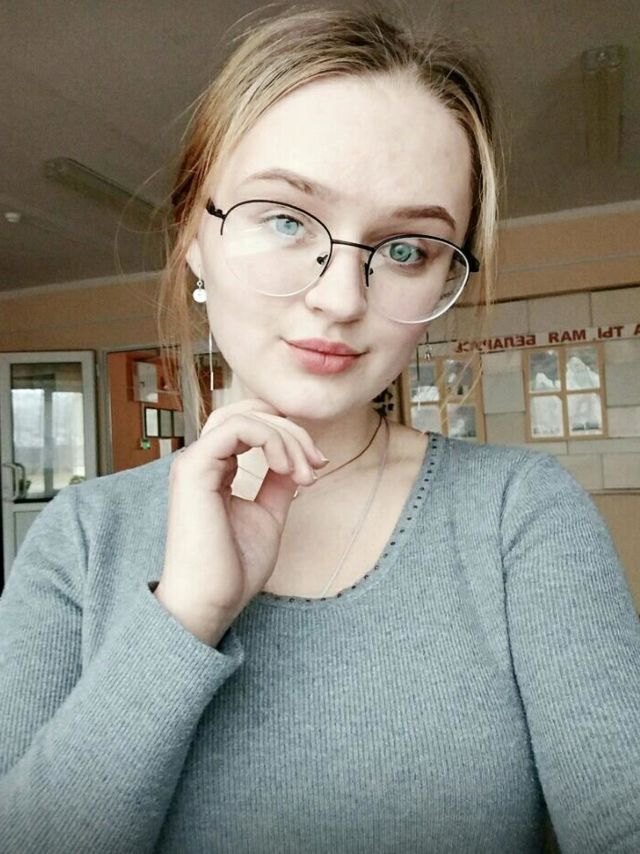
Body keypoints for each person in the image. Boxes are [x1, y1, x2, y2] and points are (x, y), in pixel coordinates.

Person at [1, 6, 639, 854]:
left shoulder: (519, 515)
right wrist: (185, 616)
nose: (340, 298)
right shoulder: (80, 539)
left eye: (407, 249)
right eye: (286, 219)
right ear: (194, 237)